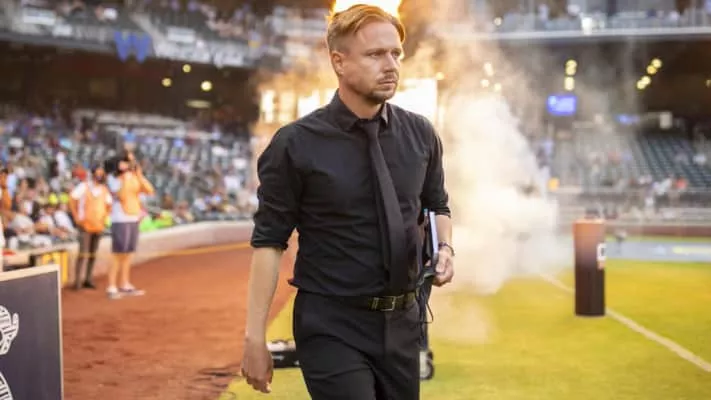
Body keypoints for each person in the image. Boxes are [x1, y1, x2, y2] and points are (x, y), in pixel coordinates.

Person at [240, 5, 455, 399]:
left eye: (396, 54)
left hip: (403, 323)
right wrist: (255, 338)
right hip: (331, 324)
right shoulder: (295, 144)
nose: (391, 65)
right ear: (338, 61)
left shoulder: (421, 134)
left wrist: (445, 250)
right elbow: (269, 241)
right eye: (375, 54)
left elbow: (437, 205)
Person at [106, 151, 154, 300]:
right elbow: (121, 195)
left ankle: (124, 283)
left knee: (128, 253)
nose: (130, 164)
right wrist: (126, 178)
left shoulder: (134, 177)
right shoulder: (114, 178)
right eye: (127, 161)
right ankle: (111, 285)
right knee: (118, 253)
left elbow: (149, 190)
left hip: (133, 217)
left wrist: (139, 175)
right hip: (120, 218)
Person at [69, 164, 112, 290]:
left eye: (101, 174)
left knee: (93, 253)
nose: (100, 176)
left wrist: (104, 218)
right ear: (93, 174)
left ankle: (88, 278)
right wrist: (76, 216)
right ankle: (77, 280)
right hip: (85, 225)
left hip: (98, 226)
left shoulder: (104, 189)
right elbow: (72, 199)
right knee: (83, 253)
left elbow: (109, 204)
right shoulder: (84, 187)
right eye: (98, 173)